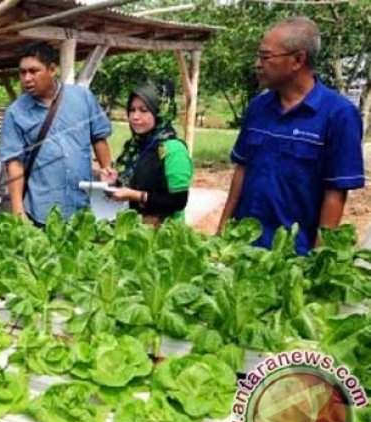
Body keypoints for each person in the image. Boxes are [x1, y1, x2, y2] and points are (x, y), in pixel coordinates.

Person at [217, 17, 365, 255]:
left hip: (293, 258)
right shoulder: (258, 108)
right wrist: (222, 234)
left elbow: (335, 194)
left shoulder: (339, 115)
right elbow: (241, 171)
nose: (258, 64)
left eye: (266, 57)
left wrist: (317, 263)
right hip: (242, 248)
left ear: (298, 60)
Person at [0, 41, 113, 225]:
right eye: (22, 72)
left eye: (33, 71)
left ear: (52, 70)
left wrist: (107, 168)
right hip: (42, 211)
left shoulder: (82, 97)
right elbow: (14, 163)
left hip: (83, 207)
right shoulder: (15, 113)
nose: (27, 78)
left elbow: (99, 136)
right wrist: (18, 210)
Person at [104, 83, 193, 225]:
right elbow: (135, 183)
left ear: (160, 112)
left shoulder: (174, 150)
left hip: (165, 236)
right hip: (134, 232)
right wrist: (115, 181)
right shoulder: (134, 147)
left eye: (143, 110)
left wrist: (137, 196)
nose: (135, 116)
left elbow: (178, 201)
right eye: (132, 110)